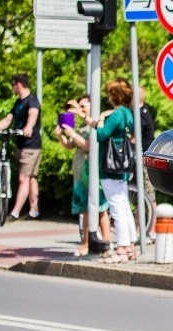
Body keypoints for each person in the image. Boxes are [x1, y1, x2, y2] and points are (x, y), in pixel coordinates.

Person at [84, 78, 138, 264]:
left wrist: (99, 121)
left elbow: (101, 134)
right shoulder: (128, 114)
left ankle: (122, 248)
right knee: (124, 205)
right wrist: (92, 120)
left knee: (116, 208)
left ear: (114, 95)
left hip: (110, 168)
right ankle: (130, 246)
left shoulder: (116, 114)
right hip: (122, 167)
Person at [55, 95, 111, 256]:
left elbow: (88, 146)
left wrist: (72, 133)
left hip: (91, 173)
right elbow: (70, 146)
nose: (79, 109)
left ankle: (92, 244)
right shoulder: (82, 126)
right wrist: (61, 136)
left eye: (83, 106)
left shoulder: (96, 125)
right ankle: (95, 243)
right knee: (86, 210)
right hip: (80, 175)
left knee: (98, 210)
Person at [0, 73, 42, 220]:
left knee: (23, 179)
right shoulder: (18, 103)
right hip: (21, 145)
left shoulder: (32, 101)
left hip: (30, 145)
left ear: (18, 84)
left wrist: (29, 127)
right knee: (31, 177)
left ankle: (15, 212)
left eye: (13, 85)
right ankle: (34, 210)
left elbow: (33, 115)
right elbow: (7, 120)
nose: (12, 88)